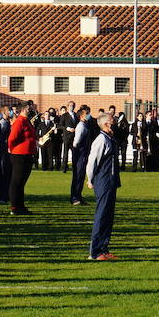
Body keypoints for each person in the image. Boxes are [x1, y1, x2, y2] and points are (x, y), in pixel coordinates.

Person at [85, 113, 121, 261]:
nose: (115, 123)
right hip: (103, 181)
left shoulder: (109, 138)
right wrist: (90, 179)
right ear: (106, 124)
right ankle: (95, 252)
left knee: (108, 217)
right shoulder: (100, 140)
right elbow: (92, 161)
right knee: (101, 216)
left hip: (111, 181)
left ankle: (104, 249)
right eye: (112, 121)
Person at [6, 104, 38, 215]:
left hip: (27, 154)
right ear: (23, 110)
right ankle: (15, 207)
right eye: (29, 109)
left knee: (21, 182)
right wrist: (11, 148)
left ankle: (20, 206)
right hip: (19, 155)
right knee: (16, 182)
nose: (31, 111)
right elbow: (12, 138)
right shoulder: (19, 121)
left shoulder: (26, 121)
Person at [69, 105, 97, 205]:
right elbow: (76, 141)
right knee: (77, 175)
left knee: (81, 176)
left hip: (84, 153)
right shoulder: (81, 126)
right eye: (86, 114)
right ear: (81, 116)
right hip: (80, 153)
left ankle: (79, 196)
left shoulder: (85, 125)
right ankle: (74, 197)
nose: (88, 115)